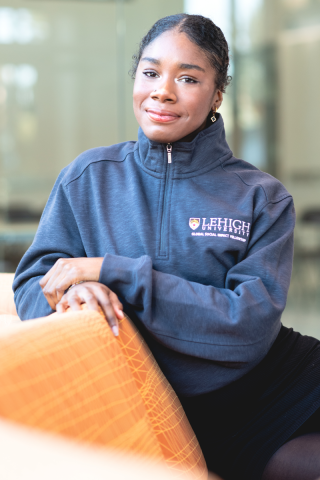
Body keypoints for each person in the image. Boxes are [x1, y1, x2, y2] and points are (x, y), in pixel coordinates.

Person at [13, 13, 320, 480]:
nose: (163, 91)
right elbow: (35, 282)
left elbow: (248, 327)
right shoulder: (87, 179)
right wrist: (68, 297)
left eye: (189, 78)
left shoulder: (261, 195)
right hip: (195, 416)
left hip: (282, 381)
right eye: (151, 72)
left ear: (217, 94)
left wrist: (112, 272)